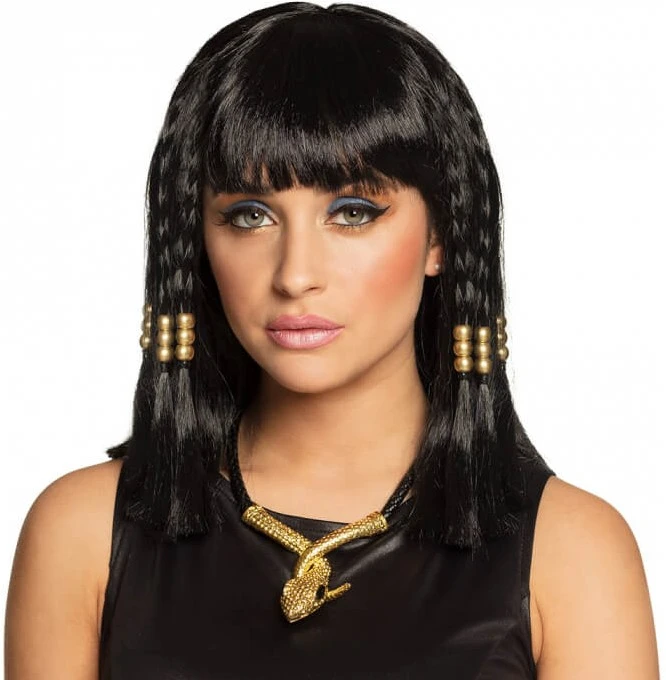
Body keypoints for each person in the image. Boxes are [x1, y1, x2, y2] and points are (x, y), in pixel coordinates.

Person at [4, 2, 659, 678]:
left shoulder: (571, 554)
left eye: (352, 213)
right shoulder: (82, 533)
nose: (295, 275)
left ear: (441, 234)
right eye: (250, 215)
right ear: (198, 239)